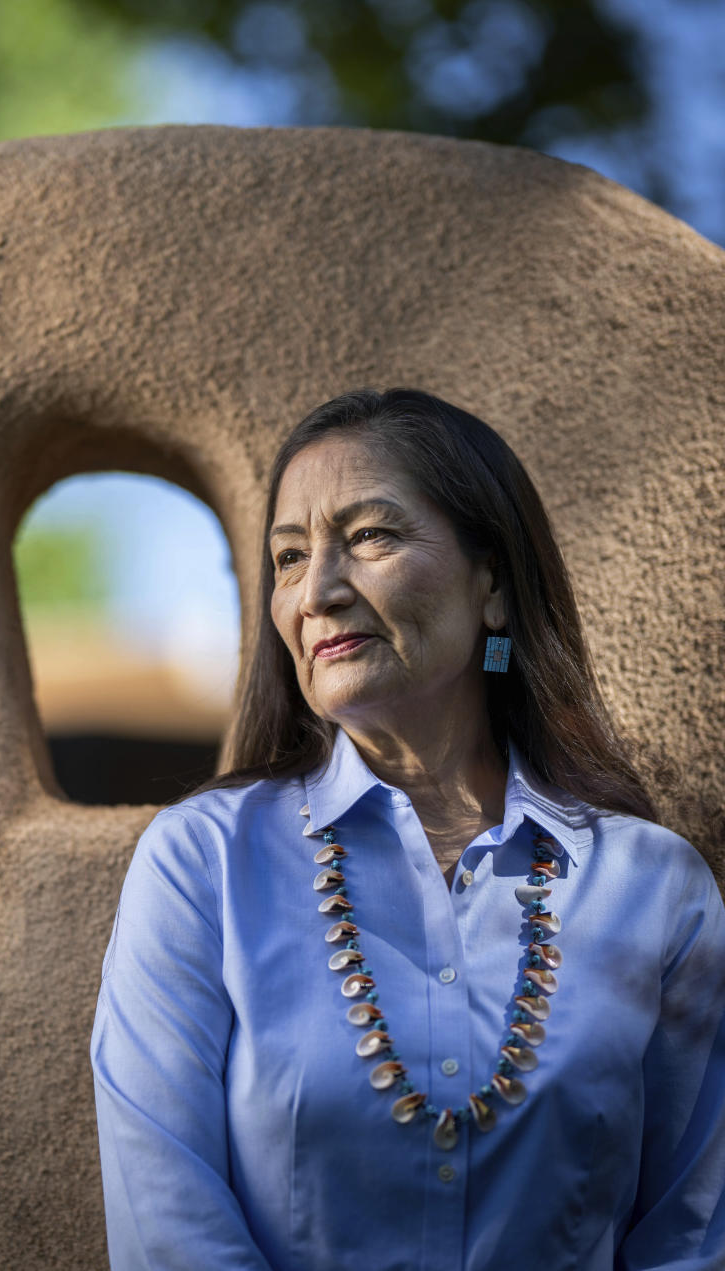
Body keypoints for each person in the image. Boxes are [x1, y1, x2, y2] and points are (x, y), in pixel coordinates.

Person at [90, 388, 725, 1270]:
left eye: (371, 537)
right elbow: (169, 1229)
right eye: (287, 556)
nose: (316, 591)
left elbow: (693, 1235)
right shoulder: (202, 864)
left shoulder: (655, 889)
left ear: (492, 584)